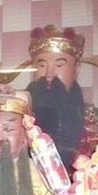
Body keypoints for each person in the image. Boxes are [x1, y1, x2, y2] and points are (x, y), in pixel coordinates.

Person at [25, 25, 91, 174]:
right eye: (42, 65)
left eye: (59, 65)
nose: (49, 73)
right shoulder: (23, 111)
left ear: (77, 69)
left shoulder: (88, 115)